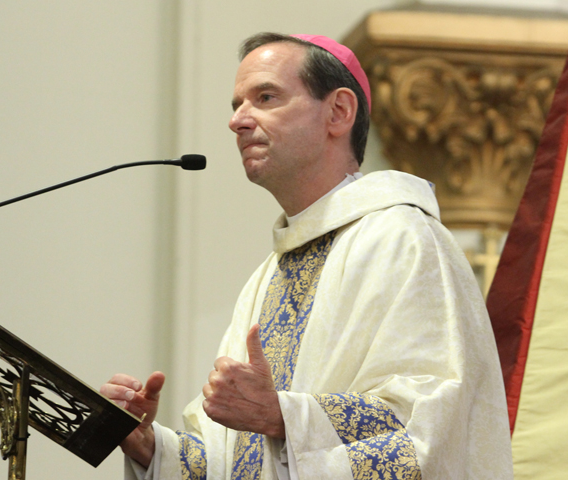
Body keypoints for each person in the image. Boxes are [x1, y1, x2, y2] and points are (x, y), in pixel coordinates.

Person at [101, 32, 513, 480]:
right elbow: (240, 464)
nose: (238, 120)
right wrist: (150, 448)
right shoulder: (269, 275)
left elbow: (428, 429)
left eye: (265, 97)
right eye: (237, 103)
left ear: (338, 112)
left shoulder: (403, 239)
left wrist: (282, 416)